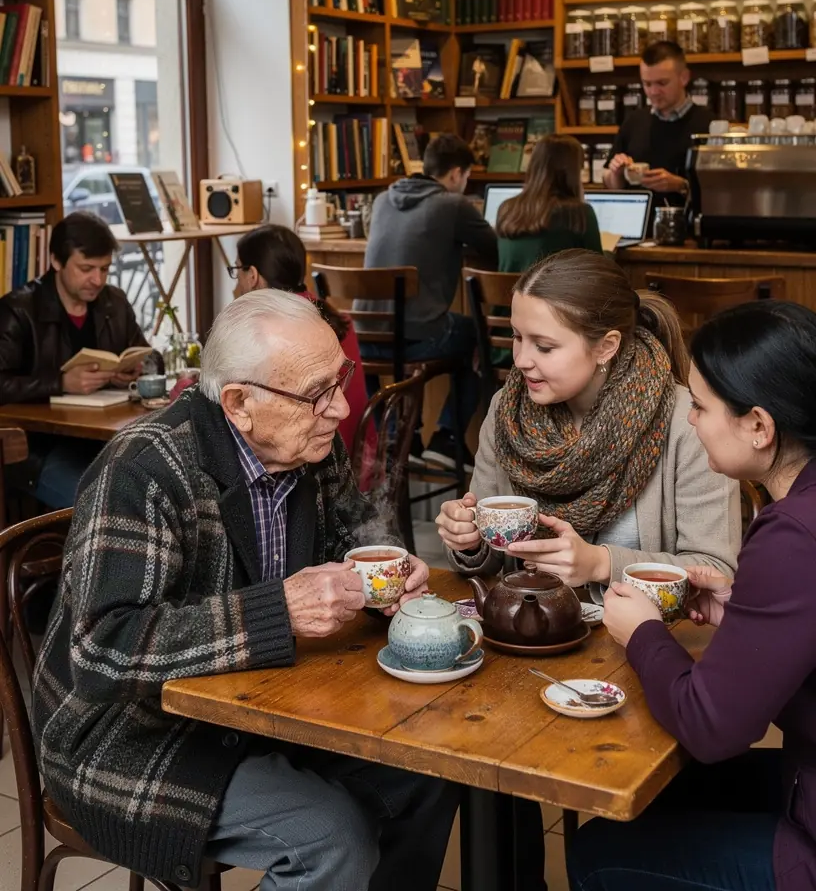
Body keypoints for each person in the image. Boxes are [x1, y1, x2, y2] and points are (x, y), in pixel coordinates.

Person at [32, 289, 457, 891]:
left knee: (429, 770)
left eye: (342, 379)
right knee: (331, 834)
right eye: (317, 394)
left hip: (267, 704)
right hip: (133, 735)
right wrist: (278, 610)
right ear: (238, 403)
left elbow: (345, 543)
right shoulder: (144, 469)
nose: (339, 409)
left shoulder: (310, 445)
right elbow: (103, 648)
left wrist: (387, 573)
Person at [571, 299, 816, 891]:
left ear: (759, 426)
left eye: (701, 407)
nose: (690, 421)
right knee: (660, 792)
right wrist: (744, 613)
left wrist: (642, 633)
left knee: (598, 853)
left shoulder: (793, 536)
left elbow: (713, 728)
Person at [436, 249, 740, 591]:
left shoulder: (687, 424)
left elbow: (716, 571)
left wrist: (602, 564)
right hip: (531, 631)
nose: (520, 360)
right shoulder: (507, 412)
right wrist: (468, 540)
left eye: (545, 347)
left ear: (606, 346)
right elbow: (490, 562)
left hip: (645, 636)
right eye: (517, 336)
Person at [361, 132, 498, 472]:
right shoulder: (452, 205)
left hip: (365, 339)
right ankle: (448, 439)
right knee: (480, 337)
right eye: (466, 178)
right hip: (416, 339)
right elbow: (495, 248)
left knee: (452, 330)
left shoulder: (382, 199)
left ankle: (395, 439)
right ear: (456, 174)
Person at [0, 211, 149, 507]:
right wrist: (60, 382)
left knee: (152, 496)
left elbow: (147, 353)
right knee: (105, 507)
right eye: (86, 268)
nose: (97, 280)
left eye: (105, 269)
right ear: (56, 261)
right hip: (37, 448)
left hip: (105, 441)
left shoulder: (114, 303)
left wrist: (133, 371)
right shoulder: (18, 310)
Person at [230, 223, 368, 455]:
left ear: (252, 275)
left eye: (237, 271)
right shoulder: (335, 317)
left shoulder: (272, 331)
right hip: (357, 448)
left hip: (316, 457)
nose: (236, 283)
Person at [602, 41, 715, 205]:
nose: (653, 92)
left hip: (686, 227)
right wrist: (616, 174)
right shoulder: (633, 121)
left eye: (662, 83)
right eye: (647, 84)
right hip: (636, 226)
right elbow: (611, 186)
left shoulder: (710, 125)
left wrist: (681, 186)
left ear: (684, 78)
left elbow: (721, 192)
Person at [496, 134, 602, 273]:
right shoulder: (580, 213)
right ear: (573, 172)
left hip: (509, 294)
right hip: (556, 294)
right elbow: (599, 271)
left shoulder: (506, 208)